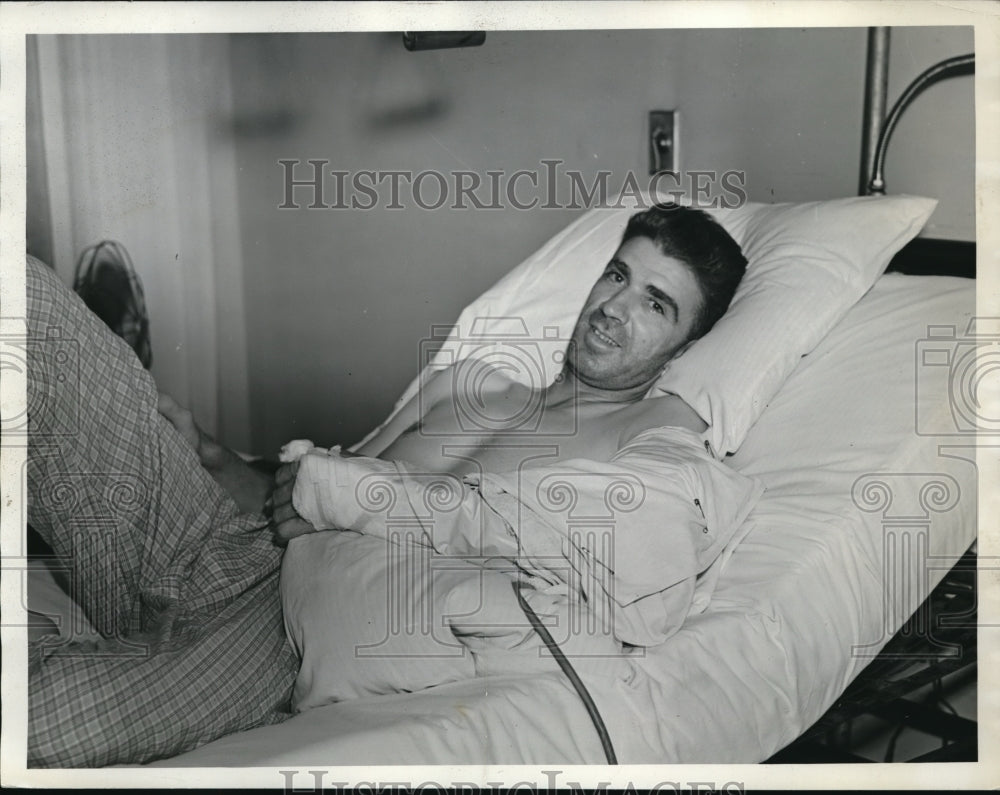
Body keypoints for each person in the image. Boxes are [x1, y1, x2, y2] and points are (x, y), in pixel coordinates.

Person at [25, 204, 746, 767]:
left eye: (657, 303)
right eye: (618, 275)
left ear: (685, 345)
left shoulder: (649, 434)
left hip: (284, 630)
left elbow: (648, 540)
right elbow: (302, 501)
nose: (617, 308)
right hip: (228, 543)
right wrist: (212, 454)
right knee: (29, 307)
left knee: (35, 716)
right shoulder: (470, 383)